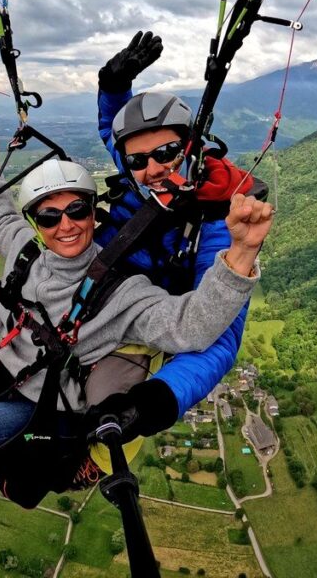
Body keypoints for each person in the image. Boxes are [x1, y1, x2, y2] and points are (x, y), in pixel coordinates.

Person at [0, 141, 273, 578]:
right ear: (37, 223)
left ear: (93, 213)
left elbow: (190, 325)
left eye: (77, 210)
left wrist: (240, 255)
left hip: (37, 407)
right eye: (49, 215)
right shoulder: (27, 253)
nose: (66, 225)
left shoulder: (121, 292)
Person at [87, 30, 261, 442]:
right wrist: (112, 85)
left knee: (99, 398)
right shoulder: (143, 170)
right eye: (140, 160)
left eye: (167, 153)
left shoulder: (219, 221)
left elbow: (219, 333)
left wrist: (156, 401)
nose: (154, 168)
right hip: (100, 288)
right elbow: (113, 132)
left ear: (192, 147)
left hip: (150, 318)